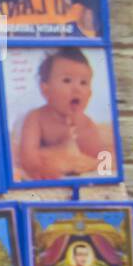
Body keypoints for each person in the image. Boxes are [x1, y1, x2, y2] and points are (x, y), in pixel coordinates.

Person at [14, 47, 114, 180]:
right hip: (50, 167)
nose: (77, 88)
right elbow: (28, 157)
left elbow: (101, 158)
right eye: (67, 80)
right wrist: (41, 169)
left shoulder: (86, 124)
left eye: (83, 82)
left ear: (89, 94)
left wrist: (92, 163)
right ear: (45, 89)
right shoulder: (36, 118)